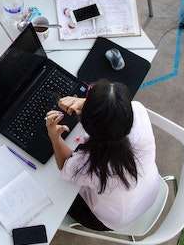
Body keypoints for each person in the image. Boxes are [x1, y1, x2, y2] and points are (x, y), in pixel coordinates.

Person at [45, 80, 160, 231]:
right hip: (149, 192)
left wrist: (54, 137)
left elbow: (65, 166)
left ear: (87, 125)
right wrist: (88, 104)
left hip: (108, 220)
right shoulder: (137, 110)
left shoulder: (88, 165)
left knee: (56, 188)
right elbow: (114, 111)